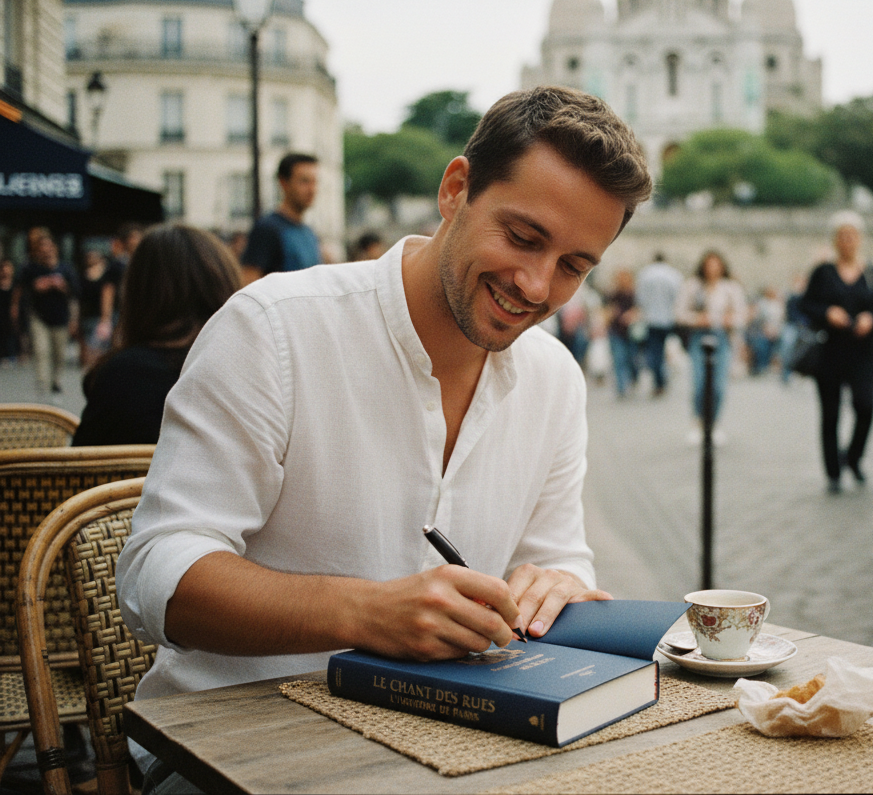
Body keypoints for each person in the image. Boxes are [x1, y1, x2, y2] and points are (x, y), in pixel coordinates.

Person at [117, 87, 652, 715]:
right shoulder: (272, 329)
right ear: (456, 189)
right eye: (522, 237)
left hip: (449, 740)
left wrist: (560, 586)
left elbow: (559, 557)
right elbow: (156, 576)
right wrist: (366, 612)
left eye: (573, 266)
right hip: (234, 740)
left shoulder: (555, 377)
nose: (536, 285)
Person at [72, 227, 242, 447]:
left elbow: (78, 470)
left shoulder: (122, 375)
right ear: (223, 284)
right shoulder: (248, 369)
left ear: (139, 292)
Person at [799, 211, 873, 493]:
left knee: (866, 406)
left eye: (852, 235)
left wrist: (870, 319)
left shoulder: (872, 273)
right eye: (842, 236)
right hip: (830, 350)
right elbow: (805, 306)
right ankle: (833, 472)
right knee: (830, 414)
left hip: (862, 351)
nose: (847, 241)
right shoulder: (823, 272)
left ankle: (853, 456)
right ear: (835, 240)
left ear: (859, 239)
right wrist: (828, 312)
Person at [675, 250, 746, 444]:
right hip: (699, 337)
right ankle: (697, 422)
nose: (712, 269)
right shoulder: (693, 286)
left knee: (718, 386)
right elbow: (680, 313)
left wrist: (729, 319)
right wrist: (697, 318)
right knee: (699, 383)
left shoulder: (730, 288)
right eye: (709, 265)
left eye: (716, 265)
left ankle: (714, 423)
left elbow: (742, 315)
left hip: (722, 337)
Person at [11, 232, 79, 395]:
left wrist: (62, 286)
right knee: (41, 350)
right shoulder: (30, 268)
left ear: (55, 249)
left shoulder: (66, 269)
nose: (46, 251)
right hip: (38, 315)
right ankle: (42, 382)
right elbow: (19, 289)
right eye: (42, 248)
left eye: (49, 247)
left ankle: (56, 380)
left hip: (61, 316)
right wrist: (35, 288)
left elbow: (75, 293)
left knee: (59, 353)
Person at [240, 153, 321, 283]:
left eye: (315, 181)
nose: (312, 189)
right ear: (283, 183)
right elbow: (249, 281)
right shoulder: (267, 229)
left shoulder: (309, 232)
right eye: (304, 181)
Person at [635, 253, 682, 397]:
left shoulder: (645, 274)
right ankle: (662, 379)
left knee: (654, 351)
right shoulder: (673, 274)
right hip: (669, 318)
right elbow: (678, 297)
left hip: (651, 319)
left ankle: (659, 381)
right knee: (667, 350)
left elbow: (640, 298)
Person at [605, 269, 641, 398]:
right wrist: (610, 313)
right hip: (616, 331)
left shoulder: (635, 294)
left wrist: (631, 315)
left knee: (632, 359)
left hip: (631, 332)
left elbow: (640, 310)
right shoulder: (612, 294)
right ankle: (621, 387)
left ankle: (634, 377)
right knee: (619, 359)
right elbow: (606, 311)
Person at [747, 286, 784, 376]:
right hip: (763, 330)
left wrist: (775, 330)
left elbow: (782, 320)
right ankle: (761, 366)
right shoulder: (762, 304)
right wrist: (766, 329)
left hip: (777, 330)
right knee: (761, 343)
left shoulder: (779, 304)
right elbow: (759, 320)